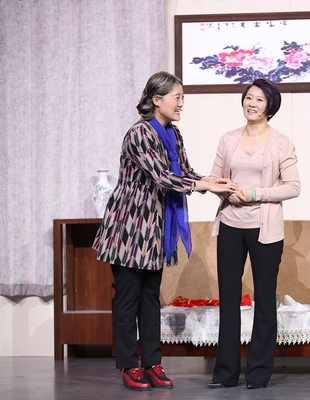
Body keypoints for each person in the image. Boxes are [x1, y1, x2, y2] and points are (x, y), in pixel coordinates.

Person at [92, 71, 237, 392]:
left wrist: (210, 181)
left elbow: (183, 172)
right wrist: (202, 186)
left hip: (156, 229)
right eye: (177, 97)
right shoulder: (140, 134)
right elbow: (161, 176)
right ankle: (129, 365)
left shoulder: (174, 133)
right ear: (156, 100)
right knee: (127, 300)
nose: (181, 103)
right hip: (130, 228)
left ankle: (152, 363)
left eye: (182, 97)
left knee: (150, 300)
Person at [207, 78, 301, 390]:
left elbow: (293, 187)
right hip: (230, 224)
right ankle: (225, 373)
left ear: (270, 106)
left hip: (265, 230)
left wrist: (255, 193)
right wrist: (226, 191)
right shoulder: (228, 139)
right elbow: (214, 178)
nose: (252, 103)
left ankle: (258, 373)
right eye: (249, 97)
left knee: (264, 300)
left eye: (260, 99)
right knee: (228, 299)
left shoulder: (281, 143)